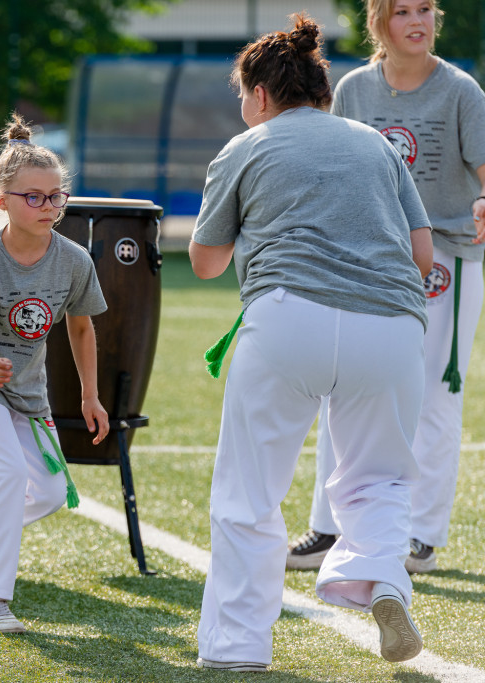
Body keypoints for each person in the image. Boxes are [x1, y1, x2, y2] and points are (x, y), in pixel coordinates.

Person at [190, 15, 434, 671]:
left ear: (261, 95)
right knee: (379, 479)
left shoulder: (247, 146)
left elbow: (206, 260)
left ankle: (238, 646)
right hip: (390, 327)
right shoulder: (378, 144)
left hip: (287, 318)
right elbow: (421, 253)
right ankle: (383, 578)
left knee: (249, 492)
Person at [286, 0, 485, 574]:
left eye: (426, 8)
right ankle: (328, 528)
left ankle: (420, 536)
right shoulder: (352, 89)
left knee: (433, 395)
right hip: (366, 256)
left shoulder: (461, 90)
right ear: (379, 21)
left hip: (447, 255)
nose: (417, 21)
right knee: (340, 385)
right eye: (403, 11)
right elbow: (331, 164)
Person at [0, 114, 109, 633]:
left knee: (49, 492)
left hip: (28, 394)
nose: (48, 206)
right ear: (3, 201)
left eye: (56, 197)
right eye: (34, 197)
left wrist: (90, 398)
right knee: (5, 475)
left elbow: (80, 331)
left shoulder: (73, 261)